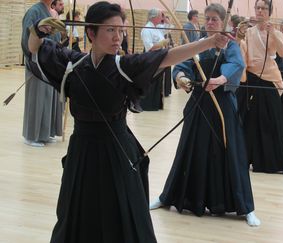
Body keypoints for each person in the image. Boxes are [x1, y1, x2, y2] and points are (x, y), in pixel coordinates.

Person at [26, 1, 229, 242]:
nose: (117, 37)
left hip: (116, 150)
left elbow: (166, 57)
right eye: (111, 30)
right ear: (91, 32)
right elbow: (35, 49)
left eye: (121, 31)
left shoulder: (124, 66)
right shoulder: (73, 64)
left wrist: (210, 41)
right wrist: (37, 31)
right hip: (82, 151)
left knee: (122, 212)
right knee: (77, 210)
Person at [149, 3, 260, 227]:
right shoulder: (198, 44)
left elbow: (237, 64)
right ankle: (167, 196)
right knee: (189, 149)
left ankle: (246, 208)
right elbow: (182, 64)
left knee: (232, 153)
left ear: (223, 22)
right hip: (199, 104)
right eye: (207, 18)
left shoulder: (229, 43)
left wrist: (220, 79)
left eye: (214, 20)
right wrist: (180, 77)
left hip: (222, 107)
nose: (210, 23)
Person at [238, 0, 283, 178]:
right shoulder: (248, 31)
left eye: (264, 8)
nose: (260, 11)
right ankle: (243, 160)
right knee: (249, 121)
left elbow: (282, 53)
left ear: (269, 12)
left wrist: (273, 33)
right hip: (252, 78)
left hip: (270, 79)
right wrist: (239, 37)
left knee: (274, 121)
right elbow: (243, 52)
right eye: (258, 8)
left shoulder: (276, 32)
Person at [21, 0, 63, 147]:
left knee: (49, 97)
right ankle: (31, 136)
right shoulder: (34, 12)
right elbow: (28, 38)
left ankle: (45, 134)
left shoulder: (51, 12)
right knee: (37, 97)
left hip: (50, 61)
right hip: (37, 61)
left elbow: (57, 37)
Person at [140, 8, 169, 110]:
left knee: (158, 82)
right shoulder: (147, 29)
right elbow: (149, 47)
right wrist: (161, 44)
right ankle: (148, 105)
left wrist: (165, 19)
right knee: (151, 82)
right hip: (151, 59)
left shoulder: (157, 27)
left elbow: (169, 28)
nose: (162, 18)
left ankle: (155, 104)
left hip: (159, 58)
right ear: (154, 17)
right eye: (160, 16)